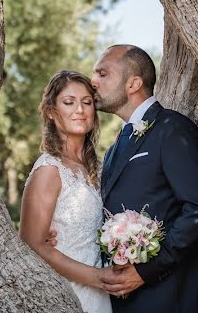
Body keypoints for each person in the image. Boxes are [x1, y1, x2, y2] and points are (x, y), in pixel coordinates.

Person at [93, 45, 198, 313]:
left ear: (134, 83)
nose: (93, 82)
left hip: (172, 294)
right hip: (126, 298)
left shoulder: (173, 130)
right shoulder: (115, 146)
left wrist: (146, 270)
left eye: (102, 74)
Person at [19, 70, 114, 313]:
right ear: (51, 112)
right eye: (69, 102)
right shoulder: (49, 170)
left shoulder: (101, 169)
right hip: (68, 294)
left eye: (87, 102)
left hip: (104, 295)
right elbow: (32, 244)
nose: (80, 110)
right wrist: (99, 278)